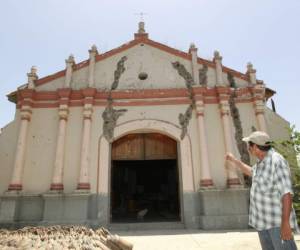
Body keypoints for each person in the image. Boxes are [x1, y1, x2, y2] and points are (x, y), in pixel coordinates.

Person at [226, 131, 298, 250]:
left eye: (249, 145)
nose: (248, 148)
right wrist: (234, 160)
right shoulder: (262, 163)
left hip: (277, 224)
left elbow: (286, 194)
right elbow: (251, 172)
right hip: (263, 223)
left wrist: (285, 223)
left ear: (255, 146)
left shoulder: (277, 161)